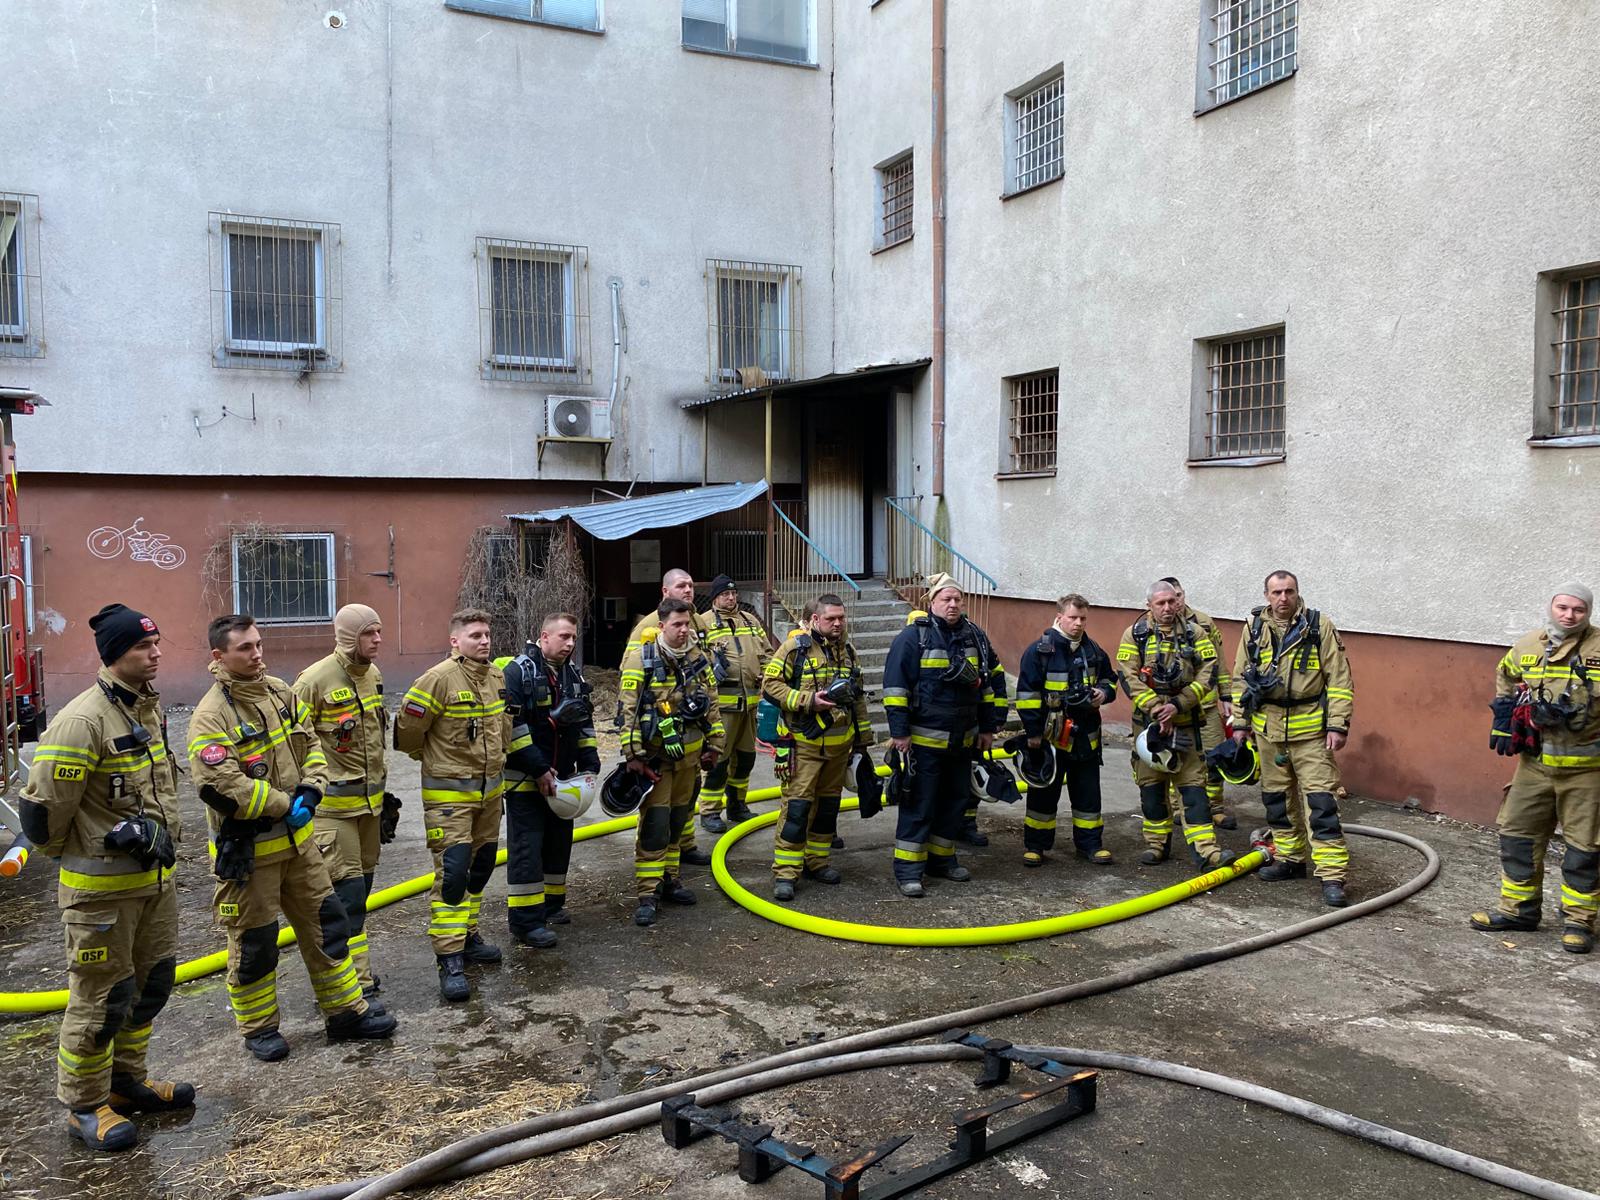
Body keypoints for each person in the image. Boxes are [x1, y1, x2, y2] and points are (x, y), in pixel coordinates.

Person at [19, 605, 192, 1150]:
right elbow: (43, 816)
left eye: (156, 643)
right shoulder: (83, 721)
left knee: (150, 986)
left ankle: (125, 1083)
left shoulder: (141, 709)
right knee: (101, 999)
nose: (156, 653)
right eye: (143, 646)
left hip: (153, 885)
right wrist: (95, 845)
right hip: (101, 897)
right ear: (115, 654)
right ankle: (85, 1105)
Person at [190, 614, 396, 1059]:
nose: (256, 654)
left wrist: (312, 788)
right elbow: (221, 785)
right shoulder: (211, 716)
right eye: (245, 648)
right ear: (219, 656)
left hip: (300, 845)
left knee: (328, 925)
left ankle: (346, 1012)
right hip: (250, 854)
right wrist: (285, 804)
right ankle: (259, 1028)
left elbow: (314, 746)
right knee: (255, 943)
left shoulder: (281, 693)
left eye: (258, 644)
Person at [1472, 584, 1600, 953]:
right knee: (1517, 836)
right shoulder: (1529, 644)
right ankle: (1518, 911)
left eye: (1578, 609)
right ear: (1551, 607)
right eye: (1562, 607)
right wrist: (1503, 716)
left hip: (1587, 771)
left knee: (1584, 849)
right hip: (1535, 766)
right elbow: (1506, 673)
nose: (1569, 615)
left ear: (1588, 612)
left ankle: (1579, 921)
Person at [395, 608, 511, 1001]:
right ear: (454, 641)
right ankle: (449, 958)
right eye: (475, 635)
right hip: (449, 799)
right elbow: (408, 734)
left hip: (489, 796)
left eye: (487, 634)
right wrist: (434, 758)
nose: (484, 641)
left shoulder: (496, 677)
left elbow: (503, 731)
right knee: (453, 874)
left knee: (481, 867)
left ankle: (468, 935)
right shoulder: (437, 679)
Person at [1230, 570, 1355, 907]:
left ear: (1298, 592)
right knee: (1277, 801)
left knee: (1322, 805)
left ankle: (1332, 875)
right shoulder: (1254, 628)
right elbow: (1240, 678)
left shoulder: (1318, 627)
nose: (1283, 598)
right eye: (1276, 592)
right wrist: (1240, 723)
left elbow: (1339, 679)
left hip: (1311, 733)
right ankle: (1290, 858)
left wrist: (1337, 725)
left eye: (1289, 591)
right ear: (1266, 595)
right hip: (1268, 731)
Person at [292, 604, 395, 1006]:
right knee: (346, 896)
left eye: (379, 631)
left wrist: (383, 798)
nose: (378, 640)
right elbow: (296, 745)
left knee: (362, 890)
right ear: (350, 637)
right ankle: (353, 983)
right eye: (369, 633)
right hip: (332, 812)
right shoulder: (313, 681)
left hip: (370, 809)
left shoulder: (373, 675)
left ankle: (359, 973)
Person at [881, 574, 1006, 896]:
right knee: (919, 805)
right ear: (932, 601)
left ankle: (941, 859)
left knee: (954, 802)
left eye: (957, 599)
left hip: (962, 741)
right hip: (923, 744)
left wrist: (988, 727)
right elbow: (895, 690)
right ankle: (909, 870)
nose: (952, 605)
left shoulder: (975, 637)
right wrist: (900, 734)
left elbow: (989, 685)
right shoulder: (913, 638)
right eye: (946, 599)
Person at [618, 598, 724, 927]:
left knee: (678, 822)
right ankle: (648, 893)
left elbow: (712, 704)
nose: (683, 630)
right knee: (655, 825)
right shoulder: (642, 659)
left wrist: (715, 746)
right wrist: (633, 756)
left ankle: (670, 879)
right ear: (661, 625)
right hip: (657, 762)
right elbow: (627, 711)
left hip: (690, 760)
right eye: (677, 624)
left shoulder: (697, 658)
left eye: (687, 624)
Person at [498, 612, 600, 948]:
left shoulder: (573, 675)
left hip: (563, 781)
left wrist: (589, 760)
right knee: (527, 849)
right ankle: (526, 923)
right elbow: (513, 729)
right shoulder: (518, 673)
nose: (569, 644)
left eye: (573, 638)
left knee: (558, 844)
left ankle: (552, 906)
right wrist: (540, 768)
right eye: (563, 637)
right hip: (526, 781)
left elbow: (583, 722)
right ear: (544, 637)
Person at [1117, 581, 1235, 870]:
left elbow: (1209, 671)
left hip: (1186, 724)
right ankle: (1156, 845)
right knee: (1152, 788)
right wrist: (1157, 708)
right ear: (1149, 605)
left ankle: (1206, 850)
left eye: (1171, 601)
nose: (1168, 607)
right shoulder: (1135, 635)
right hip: (1149, 727)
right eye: (1161, 603)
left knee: (1194, 789)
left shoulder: (1196, 633)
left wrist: (1178, 704)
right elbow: (1127, 676)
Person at [763, 593, 871, 901]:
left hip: (839, 748)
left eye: (841, 618)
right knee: (797, 809)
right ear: (815, 619)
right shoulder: (794, 649)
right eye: (830, 618)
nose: (837, 624)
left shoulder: (848, 651)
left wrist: (863, 742)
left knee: (827, 809)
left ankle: (817, 861)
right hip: (804, 746)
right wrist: (808, 700)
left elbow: (858, 698)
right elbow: (770, 685)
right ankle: (786, 872)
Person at [1013, 594, 1118, 868]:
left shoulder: (1093, 650)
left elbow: (1110, 679)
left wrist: (1103, 693)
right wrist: (1033, 733)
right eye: (1073, 617)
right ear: (1059, 617)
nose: (1078, 623)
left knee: (1088, 794)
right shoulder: (1040, 651)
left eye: (1083, 618)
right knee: (1044, 793)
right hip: (1051, 738)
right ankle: (1036, 846)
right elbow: (1026, 695)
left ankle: (1091, 845)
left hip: (1085, 738)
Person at [621, 568, 715, 868]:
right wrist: (634, 747)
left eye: (691, 585)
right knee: (658, 814)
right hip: (660, 740)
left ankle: (683, 847)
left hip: (691, 734)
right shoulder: (648, 626)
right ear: (665, 591)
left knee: (685, 799)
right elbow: (631, 683)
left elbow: (706, 666)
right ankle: (655, 866)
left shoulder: (697, 621)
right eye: (681, 585)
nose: (688, 590)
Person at [1160, 577, 1236, 830]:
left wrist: (1226, 695)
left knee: (1214, 756)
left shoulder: (1203, 623)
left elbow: (1218, 663)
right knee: (1175, 757)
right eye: (1169, 598)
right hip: (1174, 708)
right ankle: (1179, 807)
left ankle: (1214, 808)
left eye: (1178, 596)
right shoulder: (1153, 627)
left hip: (1206, 705)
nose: (1175, 603)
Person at [698, 575, 770, 834]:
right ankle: (710, 811)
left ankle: (737, 805)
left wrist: (766, 673)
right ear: (715, 597)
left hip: (750, 704)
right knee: (718, 760)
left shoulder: (750, 621)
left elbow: (768, 653)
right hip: (722, 708)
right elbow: (695, 660)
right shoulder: (703, 623)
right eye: (725, 594)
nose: (731, 598)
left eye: (733, 593)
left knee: (746, 758)